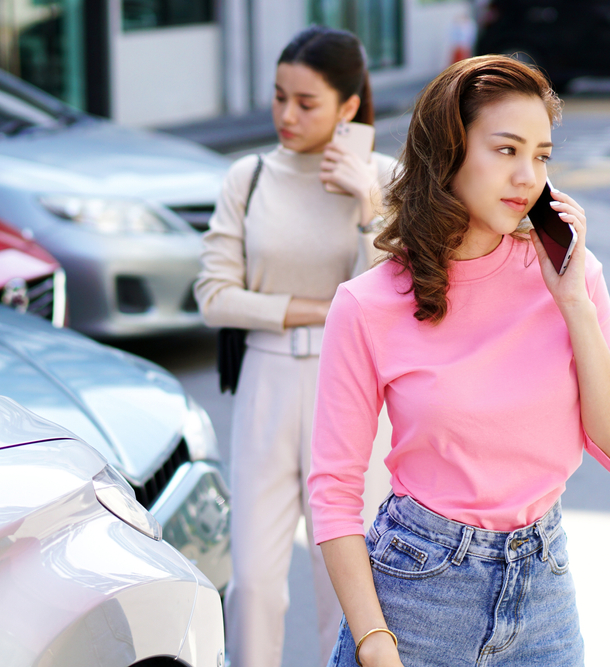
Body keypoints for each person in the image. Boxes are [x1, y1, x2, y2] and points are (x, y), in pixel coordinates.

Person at [307, 55, 610, 667]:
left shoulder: (573, 277)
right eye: (506, 149)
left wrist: (572, 300)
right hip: (417, 598)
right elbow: (334, 490)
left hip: (544, 593)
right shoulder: (367, 305)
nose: (528, 177)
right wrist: (373, 639)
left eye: (542, 155)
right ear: (450, 151)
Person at [195, 26, 397, 667]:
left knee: (344, 577)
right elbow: (213, 295)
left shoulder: (385, 178)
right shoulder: (248, 176)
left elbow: (400, 291)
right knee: (253, 581)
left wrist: (367, 201)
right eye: (279, 97)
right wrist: (320, 309)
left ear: (348, 107)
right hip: (267, 379)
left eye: (306, 103)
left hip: (356, 389)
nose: (285, 115)